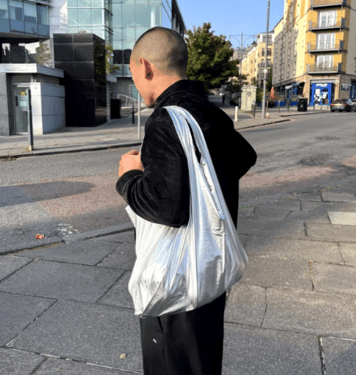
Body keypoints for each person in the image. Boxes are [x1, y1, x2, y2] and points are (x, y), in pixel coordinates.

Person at [116, 26, 257, 375]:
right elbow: (244, 156)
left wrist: (128, 177)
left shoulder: (166, 120)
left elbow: (166, 207)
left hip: (176, 279)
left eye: (133, 71)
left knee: (171, 363)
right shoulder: (208, 112)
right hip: (210, 269)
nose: (134, 81)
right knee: (203, 361)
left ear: (145, 66)